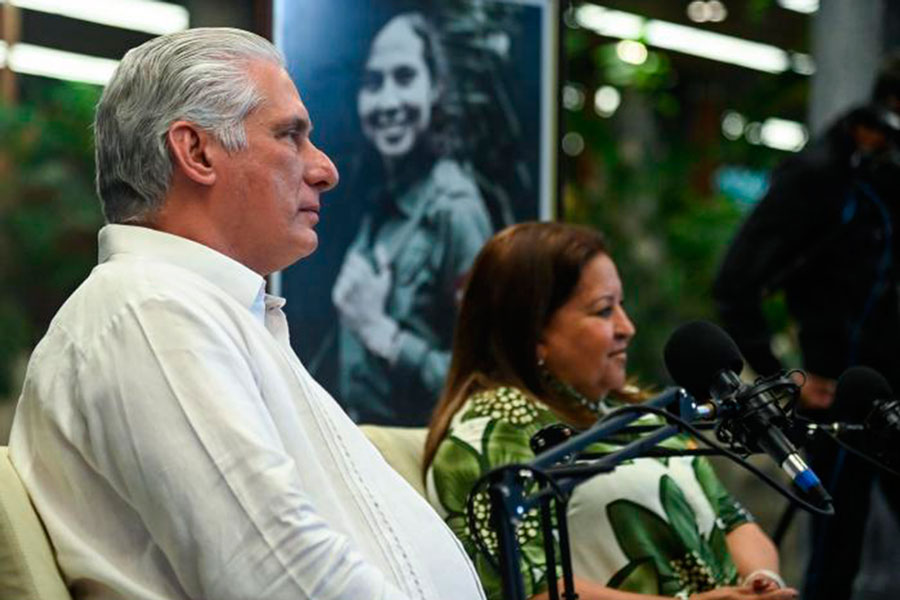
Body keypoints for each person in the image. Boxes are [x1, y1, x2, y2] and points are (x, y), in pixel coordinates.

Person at [8, 28, 485, 600]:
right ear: (197, 151)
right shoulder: (150, 310)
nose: (325, 170)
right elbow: (279, 577)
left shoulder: (196, 308)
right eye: (291, 136)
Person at [424, 222, 796, 600]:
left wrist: (762, 581)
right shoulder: (485, 436)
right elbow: (526, 591)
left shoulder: (639, 411)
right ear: (534, 333)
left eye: (622, 305)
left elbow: (731, 519)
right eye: (604, 311)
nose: (627, 327)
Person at [713, 54, 900, 600]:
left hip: (886, 385)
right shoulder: (817, 176)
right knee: (833, 555)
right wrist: (781, 377)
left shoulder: (885, 176)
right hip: (837, 398)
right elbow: (735, 283)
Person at [332, 11, 492, 426]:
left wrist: (381, 333)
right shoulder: (381, 196)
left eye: (404, 77)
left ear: (435, 87)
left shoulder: (455, 208)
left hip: (420, 467)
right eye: (373, 82)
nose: (387, 102)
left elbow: (486, 385)